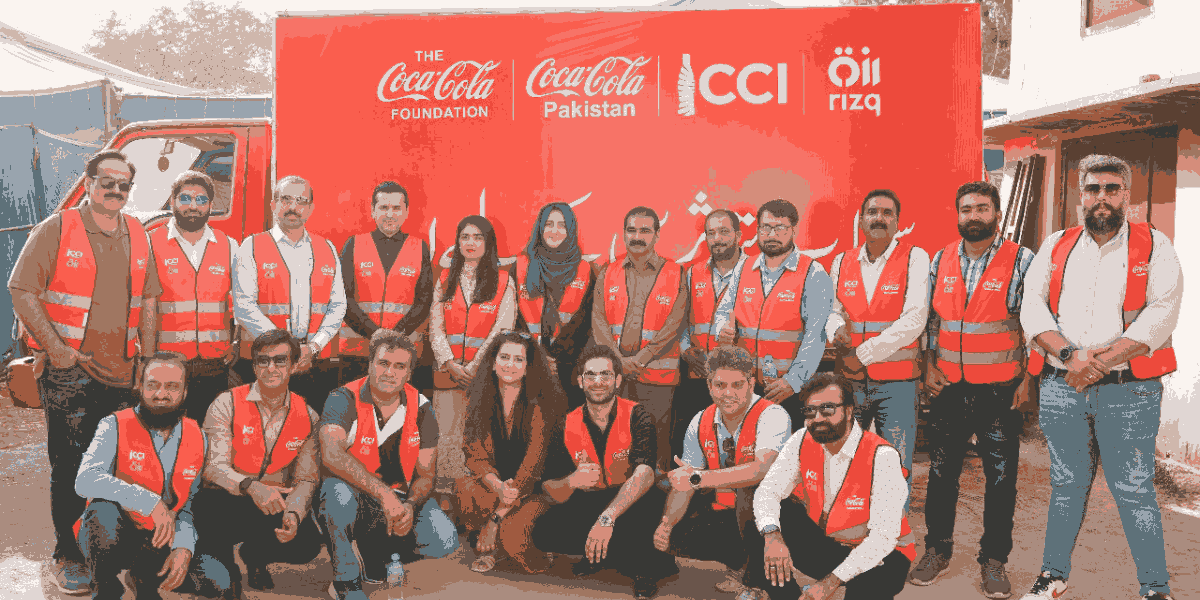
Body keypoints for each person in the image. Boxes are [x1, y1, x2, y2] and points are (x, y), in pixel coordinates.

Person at [1017, 155, 1181, 600]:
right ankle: (1052, 576)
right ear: (1081, 196)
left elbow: (1162, 314)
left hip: (1128, 392)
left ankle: (1154, 588)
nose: (1102, 197)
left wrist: (1097, 364)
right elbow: (1032, 307)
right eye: (1093, 189)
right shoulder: (1056, 245)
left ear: (1126, 195)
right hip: (1062, 388)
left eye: (1111, 188)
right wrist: (1069, 356)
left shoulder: (1155, 246)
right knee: (1066, 486)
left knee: (1134, 489)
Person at [9, 149, 161, 594]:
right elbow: (21, 289)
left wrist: (148, 362)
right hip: (70, 376)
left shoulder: (138, 232)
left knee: (122, 468)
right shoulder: (57, 228)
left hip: (124, 375)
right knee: (72, 468)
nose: (115, 189)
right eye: (106, 181)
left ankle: (114, 551)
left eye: (123, 184)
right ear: (89, 182)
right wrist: (57, 351)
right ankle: (69, 555)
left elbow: (149, 300)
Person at [908, 181, 1036, 598]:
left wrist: (1028, 380)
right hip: (949, 388)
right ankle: (937, 550)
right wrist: (928, 364)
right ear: (958, 214)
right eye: (966, 209)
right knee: (942, 473)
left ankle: (994, 560)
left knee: (1000, 478)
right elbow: (932, 321)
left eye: (982, 208)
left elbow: (1035, 325)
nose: (974, 216)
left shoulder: (1022, 260)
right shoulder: (941, 258)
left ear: (997, 213)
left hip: (1000, 390)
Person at [741, 372, 914, 600]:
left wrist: (828, 584)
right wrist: (772, 537)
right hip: (830, 544)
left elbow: (882, 539)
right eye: (810, 411)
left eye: (828, 409)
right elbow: (768, 491)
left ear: (849, 411)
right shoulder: (802, 439)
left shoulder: (882, 457)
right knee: (761, 520)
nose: (818, 418)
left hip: (881, 555)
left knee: (872, 587)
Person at [74, 352, 229, 600]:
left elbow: (187, 505)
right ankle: (106, 590)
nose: (161, 394)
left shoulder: (197, 436)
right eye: (153, 385)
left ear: (185, 391)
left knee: (217, 581)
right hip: (116, 532)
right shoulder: (113, 424)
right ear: (140, 386)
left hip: (160, 537)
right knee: (102, 513)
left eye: (172, 386)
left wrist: (184, 546)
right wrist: (149, 502)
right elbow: (85, 479)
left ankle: (143, 579)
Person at [528, 344, 679, 599]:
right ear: (580, 381)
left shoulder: (639, 416)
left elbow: (645, 474)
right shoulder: (565, 424)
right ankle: (611, 554)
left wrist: (606, 519)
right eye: (590, 375)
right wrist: (572, 481)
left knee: (650, 506)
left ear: (617, 380)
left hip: (633, 501)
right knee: (543, 533)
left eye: (605, 375)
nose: (598, 382)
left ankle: (643, 569)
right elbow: (549, 489)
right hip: (591, 499)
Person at [319, 330, 460, 600]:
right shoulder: (342, 398)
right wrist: (383, 494)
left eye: (399, 366)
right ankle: (345, 579)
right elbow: (331, 454)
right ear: (370, 364)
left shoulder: (422, 407)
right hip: (356, 495)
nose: (389, 373)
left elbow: (426, 475)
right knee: (337, 494)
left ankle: (376, 554)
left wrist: (411, 506)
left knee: (443, 539)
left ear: (409, 373)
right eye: (383, 363)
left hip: (399, 498)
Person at [192, 329, 324, 598]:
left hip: (272, 502)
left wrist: (294, 513)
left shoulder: (308, 416)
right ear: (253, 367)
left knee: (308, 544)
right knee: (223, 584)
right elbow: (213, 467)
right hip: (225, 500)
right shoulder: (227, 403)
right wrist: (251, 486)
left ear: (293, 365)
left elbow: (306, 478)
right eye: (263, 360)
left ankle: (254, 554)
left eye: (280, 360)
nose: (271, 368)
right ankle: (224, 570)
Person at [655, 346, 790, 595]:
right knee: (665, 498)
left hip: (778, 517)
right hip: (727, 512)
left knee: (751, 491)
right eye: (720, 385)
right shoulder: (700, 420)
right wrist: (666, 524)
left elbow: (760, 470)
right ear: (709, 386)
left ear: (751, 384)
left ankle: (758, 584)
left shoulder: (772, 414)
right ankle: (741, 567)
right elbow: (687, 482)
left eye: (737, 385)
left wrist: (698, 478)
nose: (728, 393)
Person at [825, 189, 929, 489]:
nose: (878, 218)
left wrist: (862, 355)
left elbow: (914, 320)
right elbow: (832, 310)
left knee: (895, 465)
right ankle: (848, 518)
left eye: (887, 213)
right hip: (850, 383)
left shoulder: (915, 258)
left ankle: (894, 521)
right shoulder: (841, 261)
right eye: (872, 212)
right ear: (861, 220)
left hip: (897, 385)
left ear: (898, 222)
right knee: (844, 460)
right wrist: (835, 328)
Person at [232, 175, 347, 414]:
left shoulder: (327, 248)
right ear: (273, 204)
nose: (293, 207)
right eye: (286, 199)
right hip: (265, 362)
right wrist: (287, 349)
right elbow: (244, 306)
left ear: (310, 208)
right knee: (261, 427)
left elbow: (338, 305)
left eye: (301, 201)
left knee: (312, 426)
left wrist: (314, 347)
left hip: (315, 363)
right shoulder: (251, 247)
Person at [458, 330, 567, 573]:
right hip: (499, 486)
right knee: (465, 489)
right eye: (504, 357)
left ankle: (508, 539)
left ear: (528, 367)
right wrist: (497, 486)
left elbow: (533, 468)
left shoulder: (542, 403)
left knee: (513, 536)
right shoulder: (479, 398)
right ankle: (494, 546)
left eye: (519, 359)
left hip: (536, 488)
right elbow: (474, 455)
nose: (510, 365)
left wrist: (495, 519)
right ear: (493, 362)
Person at [428, 215, 516, 513]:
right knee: (446, 437)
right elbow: (435, 327)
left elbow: (503, 329)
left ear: (488, 243)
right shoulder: (444, 278)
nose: (471, 243)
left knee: (478, 439)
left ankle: (474, 505)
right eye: (465, 237)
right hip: (447, 374)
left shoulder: (503, 281)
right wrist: (449, 363)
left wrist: (476, 367)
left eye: (478, 237)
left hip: (484, 378)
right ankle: (445, 500)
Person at [720, 199, 833, 431]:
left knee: (788, 450)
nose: (772, 234)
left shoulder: (812, 273)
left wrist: (793, 381)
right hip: (745, 387)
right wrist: (722, 327)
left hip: (788, 390)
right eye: (766, 227)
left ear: (793, 230)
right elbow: (724, 309)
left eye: (780, 228)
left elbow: (815, 336)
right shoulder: (743, 268)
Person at [592, 206, 688, 474]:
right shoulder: (607, 272)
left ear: (657, 235)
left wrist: (640, 360)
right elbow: (599, 323)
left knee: (656, 450)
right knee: (618, 447)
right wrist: (618, 362)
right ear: (623, 234)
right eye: (631, 230)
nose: (637, 236)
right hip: (616, 379)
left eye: (645, 231)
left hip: (658, 381)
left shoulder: (675, 273)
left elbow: (675, 326)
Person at [149, 170, 242, 421]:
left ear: (211, 205)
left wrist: (236, 341)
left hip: (215, 363)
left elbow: (241, 301)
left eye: (201, 200)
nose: (193, 206)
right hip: (167, 361)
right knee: (167, 429)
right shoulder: (151, 243)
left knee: (209, 430)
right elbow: (143, 305)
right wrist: (147, 356)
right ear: (172, 201)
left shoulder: (230, 245)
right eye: (185, 198)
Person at [338, 180, 434, 384]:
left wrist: (394, 338)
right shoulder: (353, 245)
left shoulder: (419, 247)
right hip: (358, 352)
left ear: (406, 212)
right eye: (383, 207)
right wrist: (375, 334)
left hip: (402, 354)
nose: (390, 214)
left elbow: (424, 302)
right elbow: (343, 298)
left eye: (396, 208)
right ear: (373, 211)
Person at [675, 209, 749, 456]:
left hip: (737, 379)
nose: (717, 239)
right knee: (696, 444)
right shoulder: (693, 273)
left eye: (724, 231)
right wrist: (686, 351)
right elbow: (680, 321)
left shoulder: (755, 272)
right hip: (698, 375)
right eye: (711, 233)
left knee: (737, 446)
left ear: (738, 234)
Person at [514, 202, 595, 410]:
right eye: (549, 224)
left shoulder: (585, 270)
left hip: (569, 371)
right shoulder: (521, 266)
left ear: (571, 230)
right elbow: (514, 321)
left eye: (562, 225)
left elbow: (586, 324)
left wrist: (557, 360)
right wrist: (538, 356)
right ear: (540, 228)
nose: (554, 230)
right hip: (527, 367)